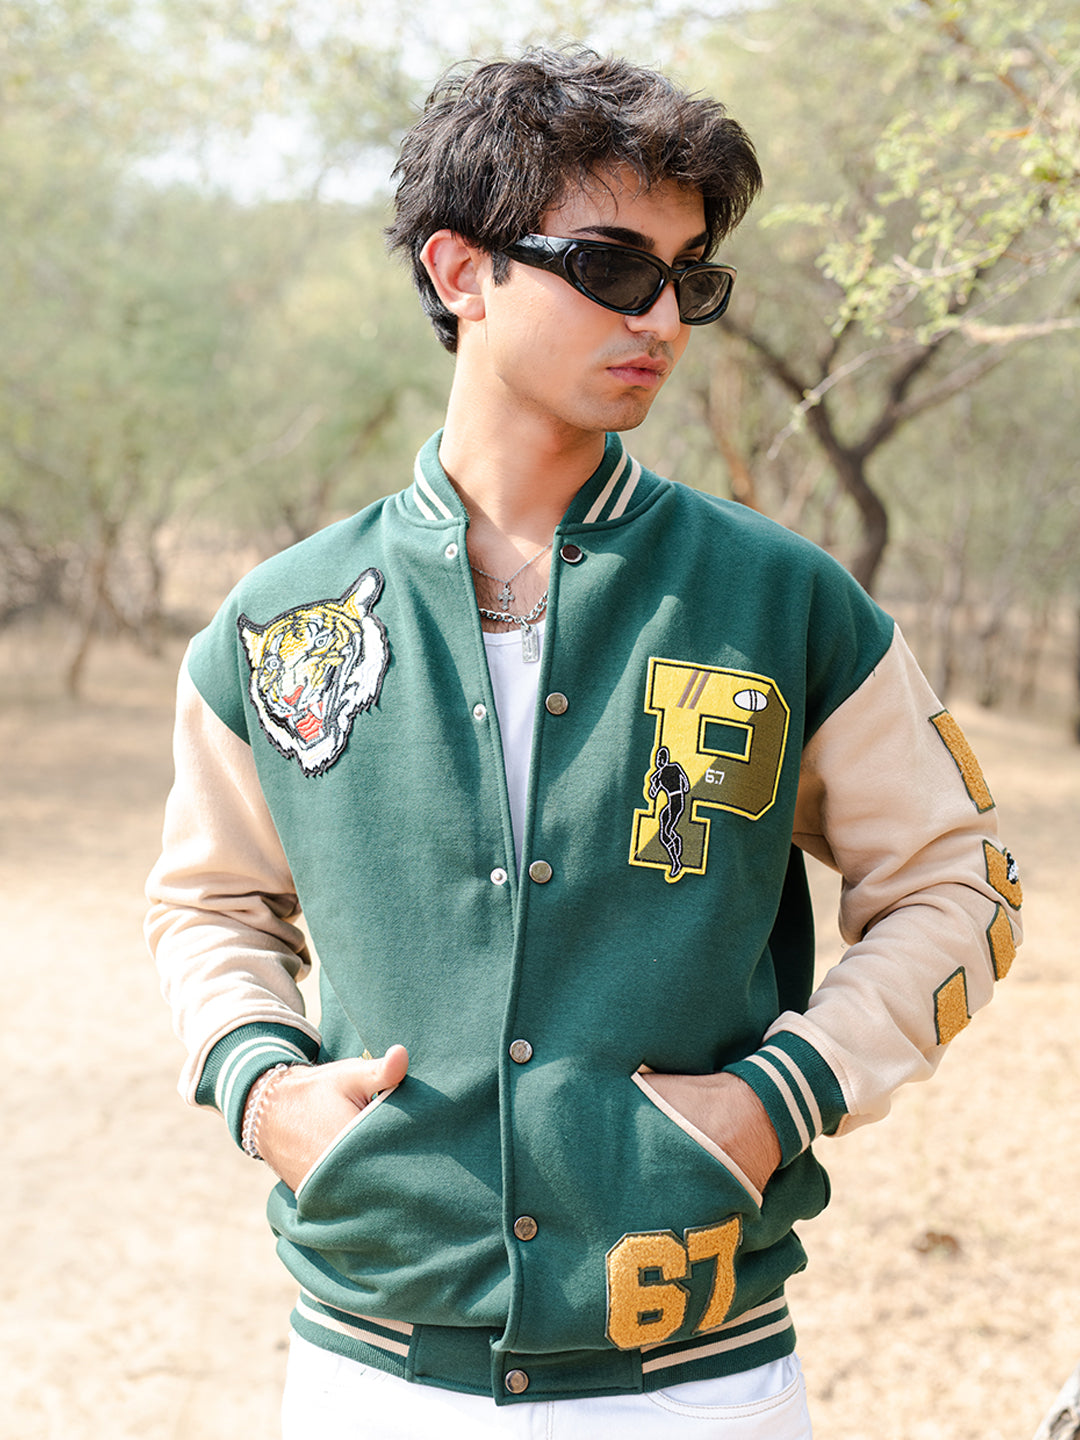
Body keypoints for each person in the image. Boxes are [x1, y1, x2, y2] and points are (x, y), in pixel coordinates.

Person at [146, 46, 1023, 1439]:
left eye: (690, 280)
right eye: (613, 267)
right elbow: (209, 906)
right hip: (370, 1378)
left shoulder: (780, 603)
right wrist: (268, 1095)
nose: (661, 317)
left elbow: (958, 883)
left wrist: (779, 1100)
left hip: (700, 1384)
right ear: (459, 271)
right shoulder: (278, 622)